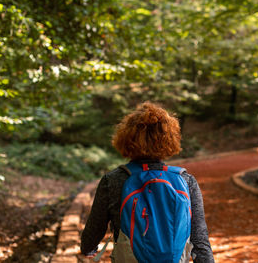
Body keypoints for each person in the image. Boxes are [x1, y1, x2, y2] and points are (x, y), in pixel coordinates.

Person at [80, 102, 214, 263]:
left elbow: (91, 236)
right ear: (170, 140)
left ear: (125, 139)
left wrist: (88, 249)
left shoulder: (113, 180)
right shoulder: (186, 180)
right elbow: (199, 240)